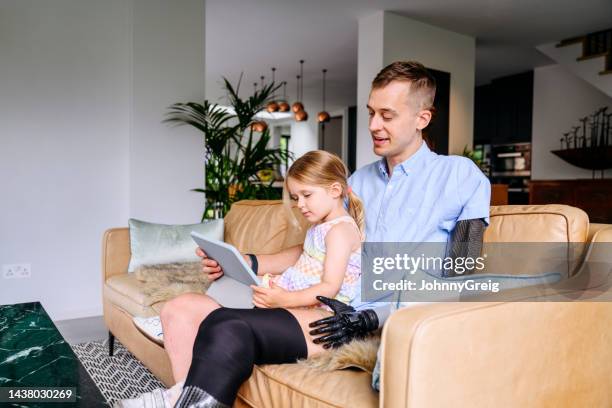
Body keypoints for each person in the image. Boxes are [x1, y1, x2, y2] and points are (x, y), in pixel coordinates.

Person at [124, 60, 490, 408]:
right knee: (181, 308)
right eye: (371, 112)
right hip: (330, 307)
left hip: (376, 320)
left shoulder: (459, 176)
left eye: (388, 115)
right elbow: (316, 247)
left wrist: (374, 316)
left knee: (227, 326)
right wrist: (247, 261)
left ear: (422, 118)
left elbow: (463, 272)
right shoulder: (357, 181)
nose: (374, 125)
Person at [116, 150, 366, 408]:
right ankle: (184, 394)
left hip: (324, 315)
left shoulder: (341, 231)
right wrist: (242, 264)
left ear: (335, 190)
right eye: (295, 197)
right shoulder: (319, 227)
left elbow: (329, 287)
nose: (300, 204)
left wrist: (285, 298)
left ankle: (179, 400)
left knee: (222, 321)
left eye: (307, 196)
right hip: (290, 303)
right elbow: (303, 258)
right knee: (178, 308)